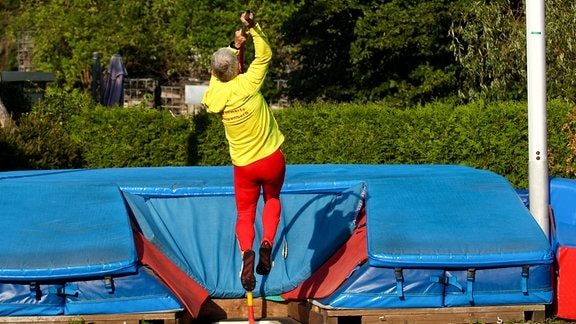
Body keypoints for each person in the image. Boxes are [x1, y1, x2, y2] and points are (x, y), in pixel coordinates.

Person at [201, 11, 285, 292]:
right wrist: (254, 28)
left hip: (245, 167)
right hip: (272, 159)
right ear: (237, 69)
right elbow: (265, 55)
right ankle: (267, 244)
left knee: (245, 213)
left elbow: (220, 77)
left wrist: (236, 47)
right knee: (272, 199)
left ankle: (247, 250)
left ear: (213, 73)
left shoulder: (215, 97)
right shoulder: (249, 83)